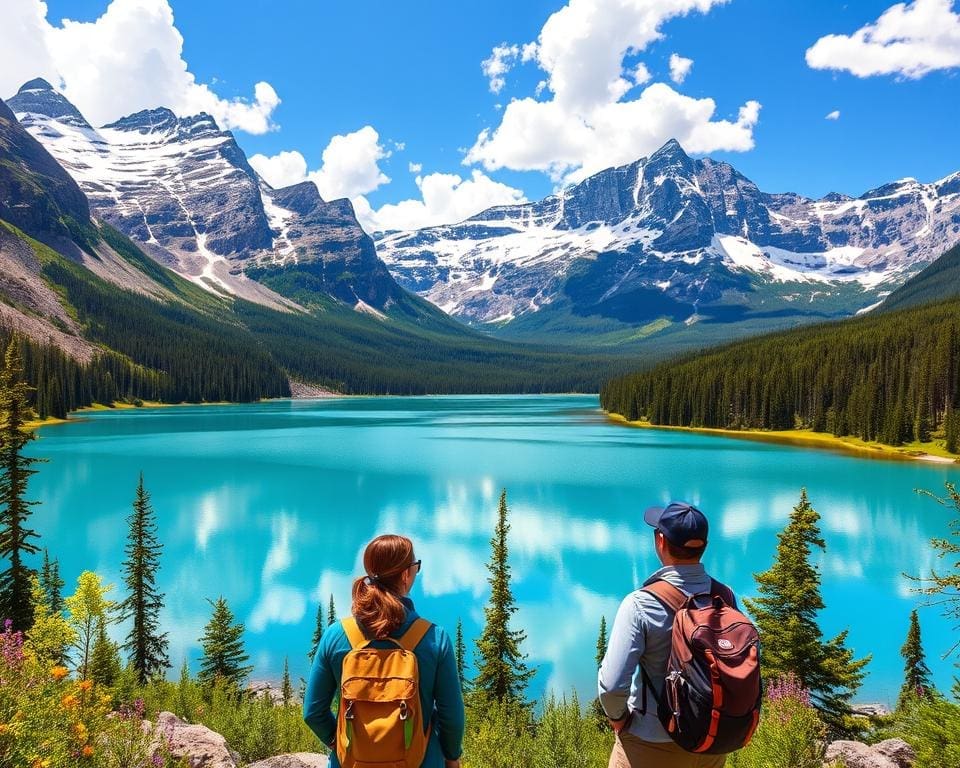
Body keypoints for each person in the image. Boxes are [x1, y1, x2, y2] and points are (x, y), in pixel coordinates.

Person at [304, 534, 465, 768]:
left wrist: (340, 744)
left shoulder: (337, 635)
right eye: (415, 566)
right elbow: (452, 716)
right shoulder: (433, 638)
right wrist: (452, 758)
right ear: (405, 575)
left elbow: (313, 712)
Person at [598, 501, 735, 768]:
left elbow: (612, 686)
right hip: (711, 743)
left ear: (660, 541)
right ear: (703, 545)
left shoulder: (640, 604)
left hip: (649, 744)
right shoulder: (726, 597)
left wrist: (619, 720)